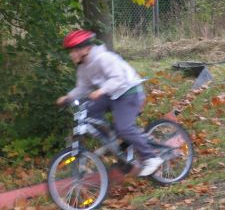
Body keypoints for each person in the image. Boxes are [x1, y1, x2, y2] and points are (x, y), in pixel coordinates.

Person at [56, 29, 164, 177]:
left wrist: (101, 91)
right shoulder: (83, 67)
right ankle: (112, 140)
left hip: (129, 91)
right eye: (71, 51)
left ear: (86, 49)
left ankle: (151, 157)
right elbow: (83, 87)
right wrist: (67, 97)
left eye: (74, 50)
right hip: (111, 94)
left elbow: (119, 79)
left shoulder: (104, 58)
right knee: (88, 112)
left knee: (124, 127)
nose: (71, 54)